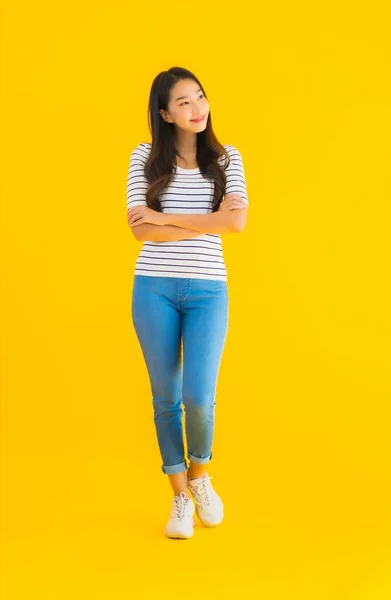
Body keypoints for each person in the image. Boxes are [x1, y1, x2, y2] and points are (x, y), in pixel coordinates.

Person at [126, 67, 249, 539]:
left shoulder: (227, 158)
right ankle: (178, 494)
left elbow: (236, 225)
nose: (197, 108)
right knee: (165, 400)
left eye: (199, 97)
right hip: (153, 287)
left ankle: (200, 476)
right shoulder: (143, 157)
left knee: (199, 399)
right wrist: (207, 219)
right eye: (183, 102)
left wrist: (164, 216)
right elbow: (140, 230)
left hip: (207, 290)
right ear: (164, 113)